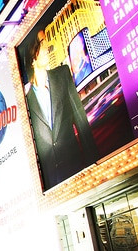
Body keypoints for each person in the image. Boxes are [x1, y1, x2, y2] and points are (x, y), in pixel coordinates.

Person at [23, 29, 99, 188]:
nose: (47, 48)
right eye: (43, 44)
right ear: (32, 57)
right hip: (52, 183)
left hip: (76, 170)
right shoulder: (27, 99)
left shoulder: (62, 75)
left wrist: (95, 164)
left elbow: (81, 120)